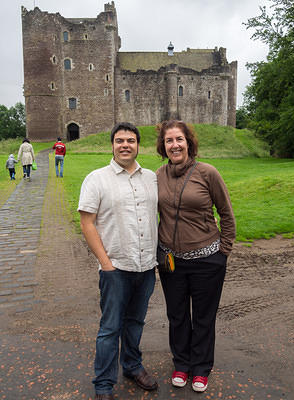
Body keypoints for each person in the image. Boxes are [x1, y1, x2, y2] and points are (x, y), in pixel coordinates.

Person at [77, 122, 158, 400]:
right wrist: (106, 264)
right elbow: (87, 222)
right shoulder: (97, 179)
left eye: (131, 140)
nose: (125, 145)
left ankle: (132, 366)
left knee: (135, 323)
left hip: (146, 266)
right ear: (112, 145)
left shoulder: (151, 178)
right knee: (110, 328)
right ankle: (103, 385)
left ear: (138, 145)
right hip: (116, 269)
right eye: (120, 140)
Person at [156, 120, 236, 393]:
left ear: (188, 142)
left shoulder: (207, 173)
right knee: (177, 315)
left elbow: (226, 213)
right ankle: (182, 364)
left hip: (207, 260)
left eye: (179, 139)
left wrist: (223, 251)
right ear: (163, 146)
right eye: (169, 141)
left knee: (203, 316)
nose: (175, 145)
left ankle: (201, 368)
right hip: (171, 262)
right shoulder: (157, 175)